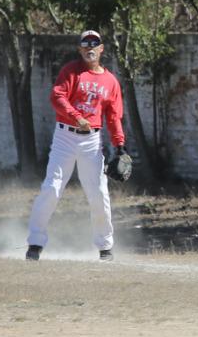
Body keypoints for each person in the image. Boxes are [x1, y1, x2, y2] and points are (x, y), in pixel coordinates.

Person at [25, 29, 126, 262]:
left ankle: (105, 247)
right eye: (85, 44)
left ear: (102, 49)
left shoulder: (110, 81)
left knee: (99, 193)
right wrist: (75, 116)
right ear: (80, 49)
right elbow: (57, 97)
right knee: (52, 188)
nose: (90, 47)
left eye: (95, 43)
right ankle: (35, 243)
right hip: (65, 137)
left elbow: (113, 116)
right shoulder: (71, 71)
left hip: (92, 141)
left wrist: (120, 145)